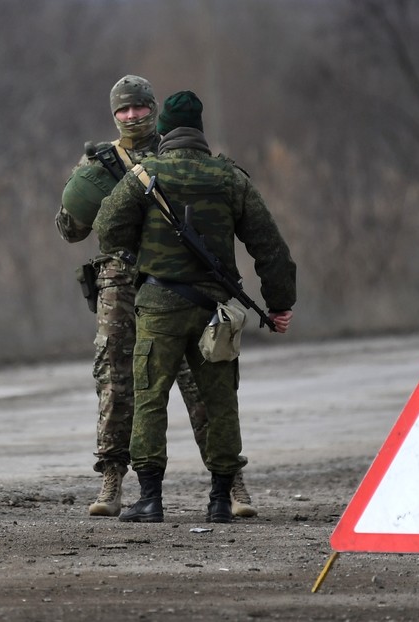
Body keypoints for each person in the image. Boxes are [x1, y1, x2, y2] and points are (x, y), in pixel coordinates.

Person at [57, 76, 257, 518]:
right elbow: (70, 230)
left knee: (204, 379)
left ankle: (230, 482)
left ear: (154, 108)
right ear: (113, 114)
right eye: (123, 110)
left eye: (140, 107)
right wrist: (85, 185)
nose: (132, 116)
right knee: (116, 380)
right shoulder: (100, 160)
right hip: (119, 285)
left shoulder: (178, 151)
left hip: (175, 282)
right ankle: (112, 479)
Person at [94, 90, 297, 523]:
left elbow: (107, 228)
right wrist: (280, 304)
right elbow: (270, 248)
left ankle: (150, 499)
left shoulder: (145, 174)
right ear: (200, 131)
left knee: (151, 398)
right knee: (221, 401)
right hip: (215, 310)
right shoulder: (230, 178)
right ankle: (221, 499)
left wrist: (142, 242)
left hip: (158, 306)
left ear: (164, 130)